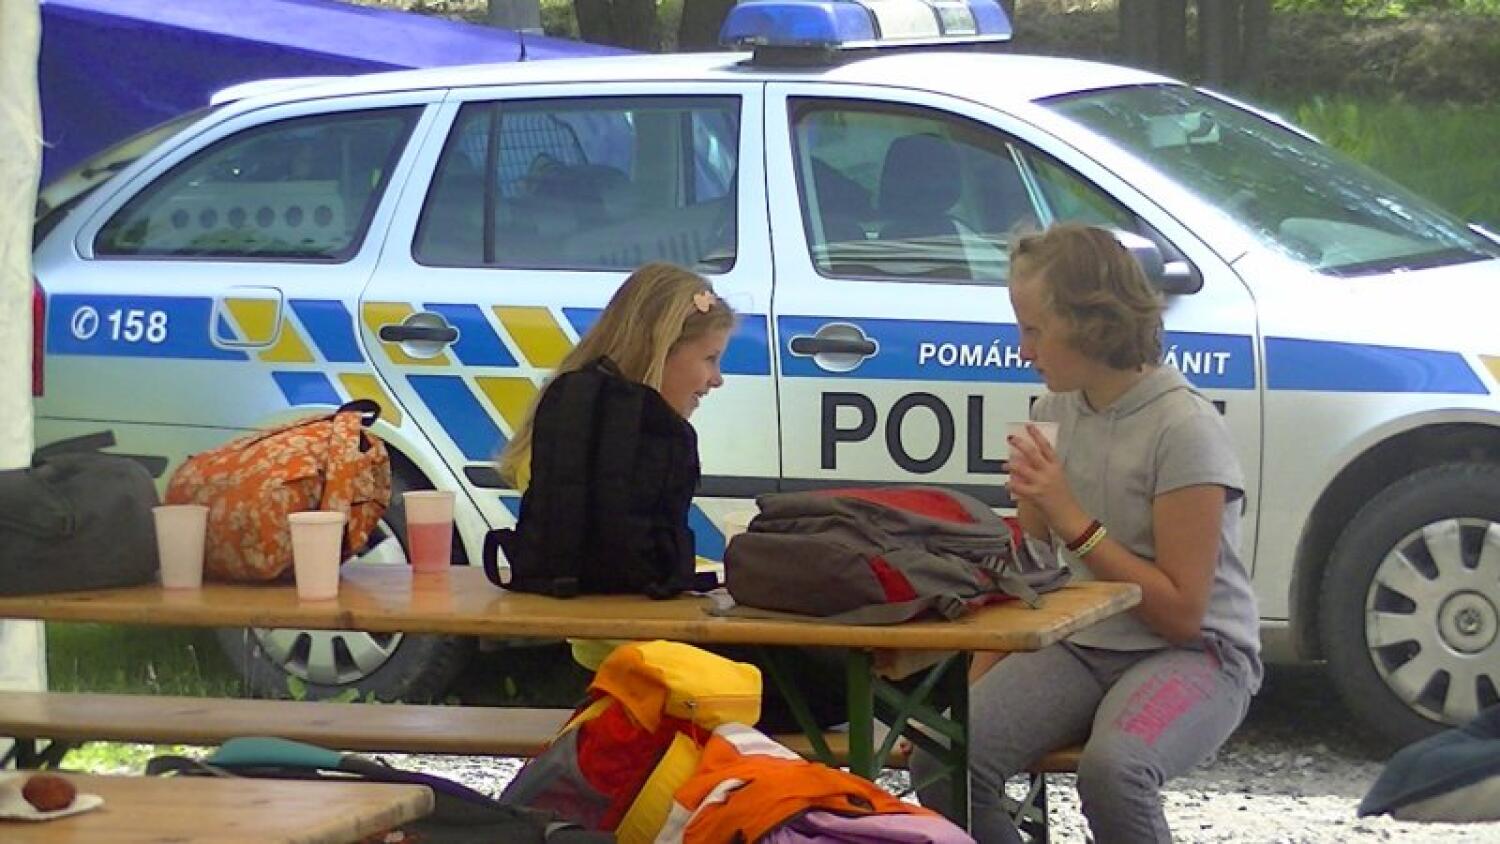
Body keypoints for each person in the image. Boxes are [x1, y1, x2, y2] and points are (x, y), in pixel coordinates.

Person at [911, 225, 1262, 843]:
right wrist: (973, 683)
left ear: (1090, 326)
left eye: (1033, 330)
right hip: (1081, 643)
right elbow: (1036, 572)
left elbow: (1182, 615)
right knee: (943, 757)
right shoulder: (1054, 411)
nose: (1023, 351)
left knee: (1115, 772)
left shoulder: (1184, 427)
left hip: (1196, 653)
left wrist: (1071, 519)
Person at [497, 262, 845, 731]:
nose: (717, 379)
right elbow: (634, 574)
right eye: (710, 359)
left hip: (627, 649)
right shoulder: (627, 436)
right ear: (660, 351)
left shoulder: (573, 420)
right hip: (649, 658)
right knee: (836, 687)